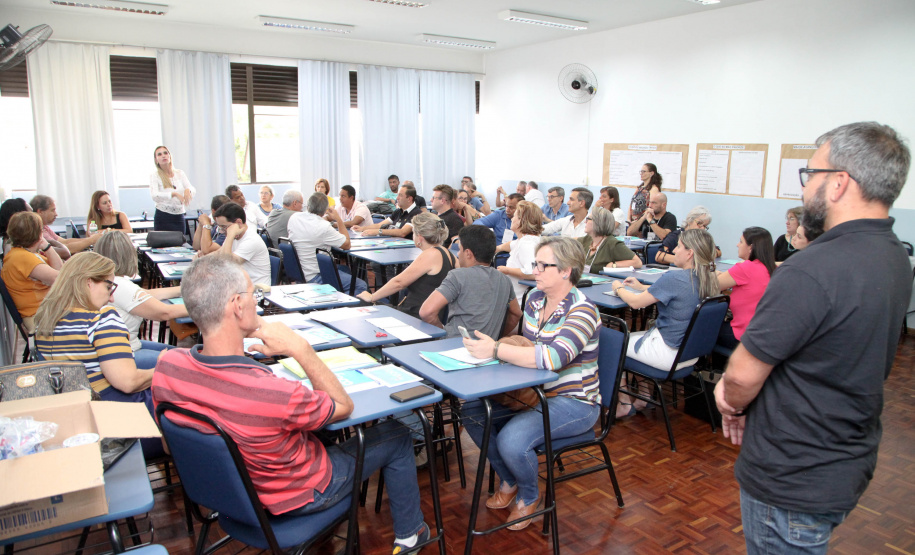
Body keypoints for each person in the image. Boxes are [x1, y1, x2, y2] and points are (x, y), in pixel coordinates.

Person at [715, 122, 911, 555]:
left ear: (839, 183)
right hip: (846, 457)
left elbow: (743, 376)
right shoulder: (894, 255)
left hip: (792, 474)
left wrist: (730, 401)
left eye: (810, 176)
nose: (804, 191)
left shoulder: (811, 268)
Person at [150, 254, 430, 552]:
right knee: (398, 434)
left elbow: (171, 445)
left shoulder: (168, 367)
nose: (256, 301)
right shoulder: (268, 391)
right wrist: (301, 348)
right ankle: (412, 533)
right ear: (236, 305)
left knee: (319, 431)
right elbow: (343, 406)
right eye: (252, 293)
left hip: (226, 497)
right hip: (295, 498)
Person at [462, 236, 601, 531]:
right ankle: (511, 478)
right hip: (531, 393)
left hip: (574, 401)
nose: (534, 270)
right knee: (472, 412)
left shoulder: (583, 309)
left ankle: (529, 495)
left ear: (566, 270)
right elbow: (526, 346)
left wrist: (496, 350)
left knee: (511, 441)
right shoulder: (535, 300)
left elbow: (554, 357)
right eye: (535, 264)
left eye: (542, 265)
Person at [34, 252, 162, 457]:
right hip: (119, 423)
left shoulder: (45, 320)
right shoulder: (101, 319)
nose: (111, 297)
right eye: (109, 286)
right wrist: (164, 367)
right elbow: (128, 382)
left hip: (75, 423)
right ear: (88, 283)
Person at [611, 229, 719, 418]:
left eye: (679, 246)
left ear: (690, 253)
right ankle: (643, 395)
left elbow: (635, 303)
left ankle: (624, 403)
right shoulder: (708, 278)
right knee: (639, 335)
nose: (674, 250)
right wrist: (642, 287)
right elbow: (675, 291)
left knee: (614, 342)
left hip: (667, 354)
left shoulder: (675, 278)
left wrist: (618, 287)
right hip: (689, 355)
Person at [95, 231, 187, 369]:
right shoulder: (121, 285)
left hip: (125, 346)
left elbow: (146, 294)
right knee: (185, 361)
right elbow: (164, 313)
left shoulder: (111, 281)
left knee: (177, 352)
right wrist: (207, 305)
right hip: (125, 354)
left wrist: (185, 288)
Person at [420, 225, 520, 339]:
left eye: (459, 249)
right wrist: (495, 338)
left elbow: (426, 312)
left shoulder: (457, 276)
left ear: (468, 253)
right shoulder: (505, 280)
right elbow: (516, 314)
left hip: (453, 347)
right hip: (486, 351)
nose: (458, 254)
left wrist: (443, 332)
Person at [357, 212, 456, 321]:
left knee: (360, 302)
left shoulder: (430, 254)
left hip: (413, 317)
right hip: (427, 316)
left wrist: (372, 297)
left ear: (420, 237)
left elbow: (399, 283)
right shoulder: (450, 255)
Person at [287, 193, 367, 294]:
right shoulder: (323, 226)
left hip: (299, 273)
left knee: (345, 269)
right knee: (360, 285)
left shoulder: (294, 217)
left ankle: (336, 299)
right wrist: (338, 219)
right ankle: (339, 305)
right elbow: (347, 245)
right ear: (325, 210)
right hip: (316, 276)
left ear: (308, 205)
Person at [1, 212, 63, 332]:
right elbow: (60, 278)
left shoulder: (23, 254)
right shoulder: (23, 258)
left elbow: (60, 270)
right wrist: (48, 247)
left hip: (45, 311)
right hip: (41, 316)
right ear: (38, 233)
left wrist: (46, 247)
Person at [715, 227, 775, 349]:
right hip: (762, 334)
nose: (737, 245)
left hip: (741, 335)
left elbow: (713, 284)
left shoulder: (746, 268)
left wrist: (712, 272)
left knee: (699, 325)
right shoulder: (770, 268)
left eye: (741, 242)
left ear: (751, 247)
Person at [212, 202, 272, 287]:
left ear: (239, 222)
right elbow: (219, 254)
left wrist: (230, 234)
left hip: (255, 292)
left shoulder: (251, 240)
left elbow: (227, 264)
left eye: (224, 227)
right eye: (220, 228)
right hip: (240, 287)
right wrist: (200, 260)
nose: (222, 231)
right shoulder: (233, 236)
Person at [495, 200, 542, 302]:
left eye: (515, 216)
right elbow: (511, 245)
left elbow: (532, 273)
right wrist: (497, 248)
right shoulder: (528, 240)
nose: (511, 219)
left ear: (521, 220)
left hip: (518, 301)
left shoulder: (527, 244)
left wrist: (507, 270)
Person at [577, 206, 642, 274]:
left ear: (598, 222)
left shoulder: (612, 244)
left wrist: (614, 265)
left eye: (588, 219)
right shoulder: (587, 240)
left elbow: (638, 262)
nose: (585, 222)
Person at [30, 194, 100, 256]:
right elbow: (66, 248)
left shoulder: (45, 227)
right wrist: (91, 240)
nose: (56, 214)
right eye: (52, 210)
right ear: (40, 212)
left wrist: (89, 239)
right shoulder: (38, 232)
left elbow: (64, 241)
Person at [150, 146, 195, 232]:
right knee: (163, 244)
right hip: (163, 216)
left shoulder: (180, 173)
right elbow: (154, 195)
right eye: (159, 154)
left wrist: (188, 190)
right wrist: (173, 194)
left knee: (180, 242)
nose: (163, 156)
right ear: (156, 160)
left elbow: (192, 188)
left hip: (179, 215)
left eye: (166, 153)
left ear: (170, 156)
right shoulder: (155, 175)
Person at [353, 185, 422, 239]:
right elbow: (379, 225)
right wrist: (362, 228)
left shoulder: (417, 214)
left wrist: (379, 231)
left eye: (400, 195)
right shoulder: (398, 212)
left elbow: (402, 232)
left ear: (409, 199)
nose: (397, 198)